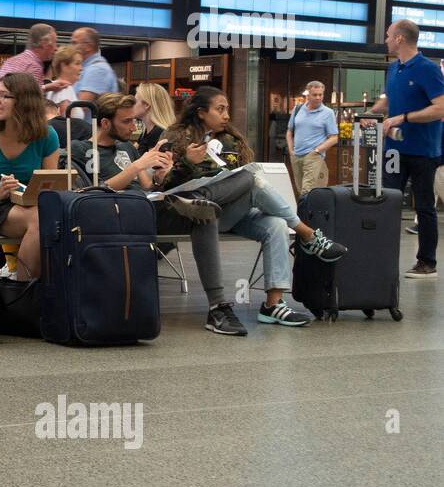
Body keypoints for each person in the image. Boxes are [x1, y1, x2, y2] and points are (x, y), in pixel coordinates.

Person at [161, 86, 347, 327]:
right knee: (251, 180)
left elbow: (243, 173)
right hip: (194, 213)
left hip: (231, 210)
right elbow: (162, 184)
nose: (227, 115)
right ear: (200, 113)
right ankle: (308, 235)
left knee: (276, 223)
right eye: (220, 109)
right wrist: (186, 163)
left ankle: (273, 304)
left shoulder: (231, 139)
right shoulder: (175, 136)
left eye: (227, 109)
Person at [72, 93, 249, 336]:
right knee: (203, 211)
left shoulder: (126, 148)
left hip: (150, 209)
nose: (133, 127)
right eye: (126, 122)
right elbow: (89, 192)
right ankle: (218, 306)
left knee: (222, 197)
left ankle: (218, 307)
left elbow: (147, 185)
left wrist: (161, 171)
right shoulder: (80, 149)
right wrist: (138, 165)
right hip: (116, 215)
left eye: (134, 120)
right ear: (105, 123)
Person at [0, 73, 60, 283]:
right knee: (40, 220)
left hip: (29, 205)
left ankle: (34, 284)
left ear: (24, 101)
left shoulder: (47, 136)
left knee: (50, 217)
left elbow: (51, 184)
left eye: (4, 96)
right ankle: (23, 291)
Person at [368, 19, 444, 278]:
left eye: (389, 35)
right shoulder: (394, 68)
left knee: (423, 206)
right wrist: (371, 113)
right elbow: (390, 99)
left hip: (423, 151)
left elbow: (440, 108)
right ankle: (382, 258)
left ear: (400, 38)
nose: (386, 40)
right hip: (394, 150)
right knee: (388, 202)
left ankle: (427, 262)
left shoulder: (427, 69)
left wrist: (404, 118)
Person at [0, 23, 56, 120]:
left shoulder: (12, 61)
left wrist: (47, 87)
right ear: (43, 43)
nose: (56, 48)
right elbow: (32, 105)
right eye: (54, 43)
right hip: (8, 127)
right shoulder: (33, 67)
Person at [286, 80, 339, 197]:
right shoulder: (298, 109)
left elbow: (334, 138)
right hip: (296, 155)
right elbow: (290, 131)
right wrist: (291, 150)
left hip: (313, 156)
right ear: (308, 95)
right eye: (315, 95)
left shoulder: (327, 113)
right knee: (300, 190)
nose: (318, 97)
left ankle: (302, 215)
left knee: (306, 191)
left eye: (321, 94)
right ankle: (306, 214)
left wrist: (317, 151)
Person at [71, 26, 120, 102]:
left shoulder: (97, 70)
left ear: (88, 47)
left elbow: (81, 107)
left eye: (74, 43)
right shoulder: (89, 67)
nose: (71, 47)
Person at [134, 82, 177, 153]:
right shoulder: (147, 131)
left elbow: (150, 163)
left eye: (135, 101)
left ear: (146, 105)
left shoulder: (157, 134)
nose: (132, 105)